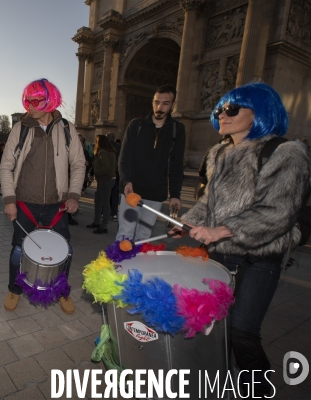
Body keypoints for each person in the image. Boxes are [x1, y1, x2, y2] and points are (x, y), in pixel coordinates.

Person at [174, 82, 311, 396]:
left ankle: (258, 389)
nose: (223, 114)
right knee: (216, 328)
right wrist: (186, 223)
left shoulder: (286, 153)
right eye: (221, 108)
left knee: (242, 331)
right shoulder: (219, 152)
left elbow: (278, 211)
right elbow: (209, 201)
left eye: (233, 108)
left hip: (260, 256)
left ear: (259, 111)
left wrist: (221, 230)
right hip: (220, 254)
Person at [0, 78, 85, 313]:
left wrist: (74, 195)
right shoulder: (21, 128)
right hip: (25, 203)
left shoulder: (67, 128)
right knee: (18, 249)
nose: (30, 105)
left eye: (36, 100)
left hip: (57, 205)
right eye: (28, 99)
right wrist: (9, 200)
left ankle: (62, 292)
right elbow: (6, 165)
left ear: (50, 101)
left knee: (65, 250)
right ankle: (14, 289)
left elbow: (78, 163)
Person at [116, 84, 185, 241]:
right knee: (125, 233)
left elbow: (176, 163)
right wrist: (126, 181)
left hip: (156, 192)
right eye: (156, 102)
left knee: (145, 236)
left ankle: (138, 265)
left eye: (165, 103)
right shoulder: (136, 125)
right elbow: (124, 157)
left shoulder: (177, 129)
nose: (159, 107)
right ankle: (119, 265)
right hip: (132, 190)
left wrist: (175, 195)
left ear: (173, 105)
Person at [86, 135, 117, 234]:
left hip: (105, 180)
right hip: (108, 179)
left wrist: (97, 172)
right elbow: (114, 167)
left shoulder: (102, 152)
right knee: (99, 201)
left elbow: (106, 167)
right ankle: (97, 222)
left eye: (96, 141)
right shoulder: (111, 152)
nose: (95, 143)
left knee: (104, 203)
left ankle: (103, 226)